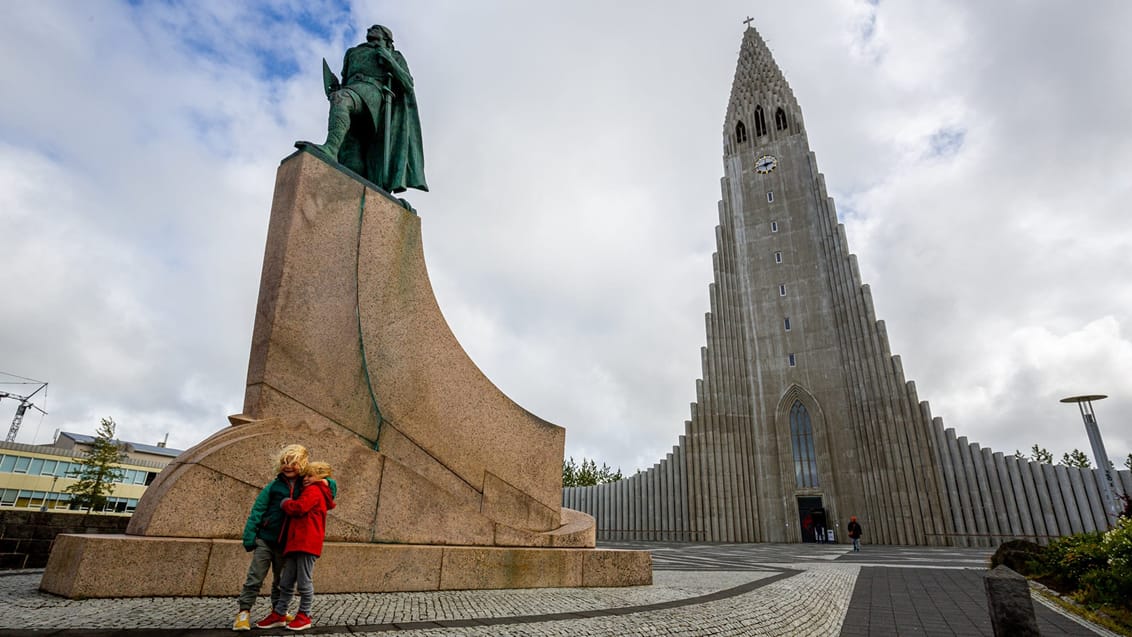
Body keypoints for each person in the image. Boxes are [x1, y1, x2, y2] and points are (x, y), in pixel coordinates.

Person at [307, 24, 428, 195]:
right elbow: (345, 80)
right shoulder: (352, 53)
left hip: (374, 93)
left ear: (387, 37)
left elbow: (408, 83)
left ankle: (331, 148)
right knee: (352, 160)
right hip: (352, 89)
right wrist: (335, 88)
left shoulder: (394, 55)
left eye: (376, 28)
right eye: (371, 28)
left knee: (342, 98)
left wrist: (389, 60)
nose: (370, 30)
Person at [261, 461, 337, 632]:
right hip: (298, 542)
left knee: (303, 582)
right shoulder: (314, 489)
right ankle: (280, 613)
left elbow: (299, 508)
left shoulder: (314, 490)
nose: (305, 479)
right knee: (287, 581)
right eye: (305, 475)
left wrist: (285, 502)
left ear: (321, 478)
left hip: (306, 542)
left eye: (310, 476)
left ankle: (304, 615)